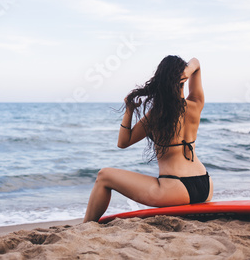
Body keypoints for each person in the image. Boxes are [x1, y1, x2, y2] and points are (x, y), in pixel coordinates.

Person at [83, 55, 213, 222]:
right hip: (206, 185)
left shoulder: (158, 114)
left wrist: (129, 109)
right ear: (184, 77)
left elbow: (123, 142)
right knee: (105, 175)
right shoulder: (196, 103)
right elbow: (196, 62)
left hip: (177, 188)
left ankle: (86, 225)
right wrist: (185, 71)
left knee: (104, 176)